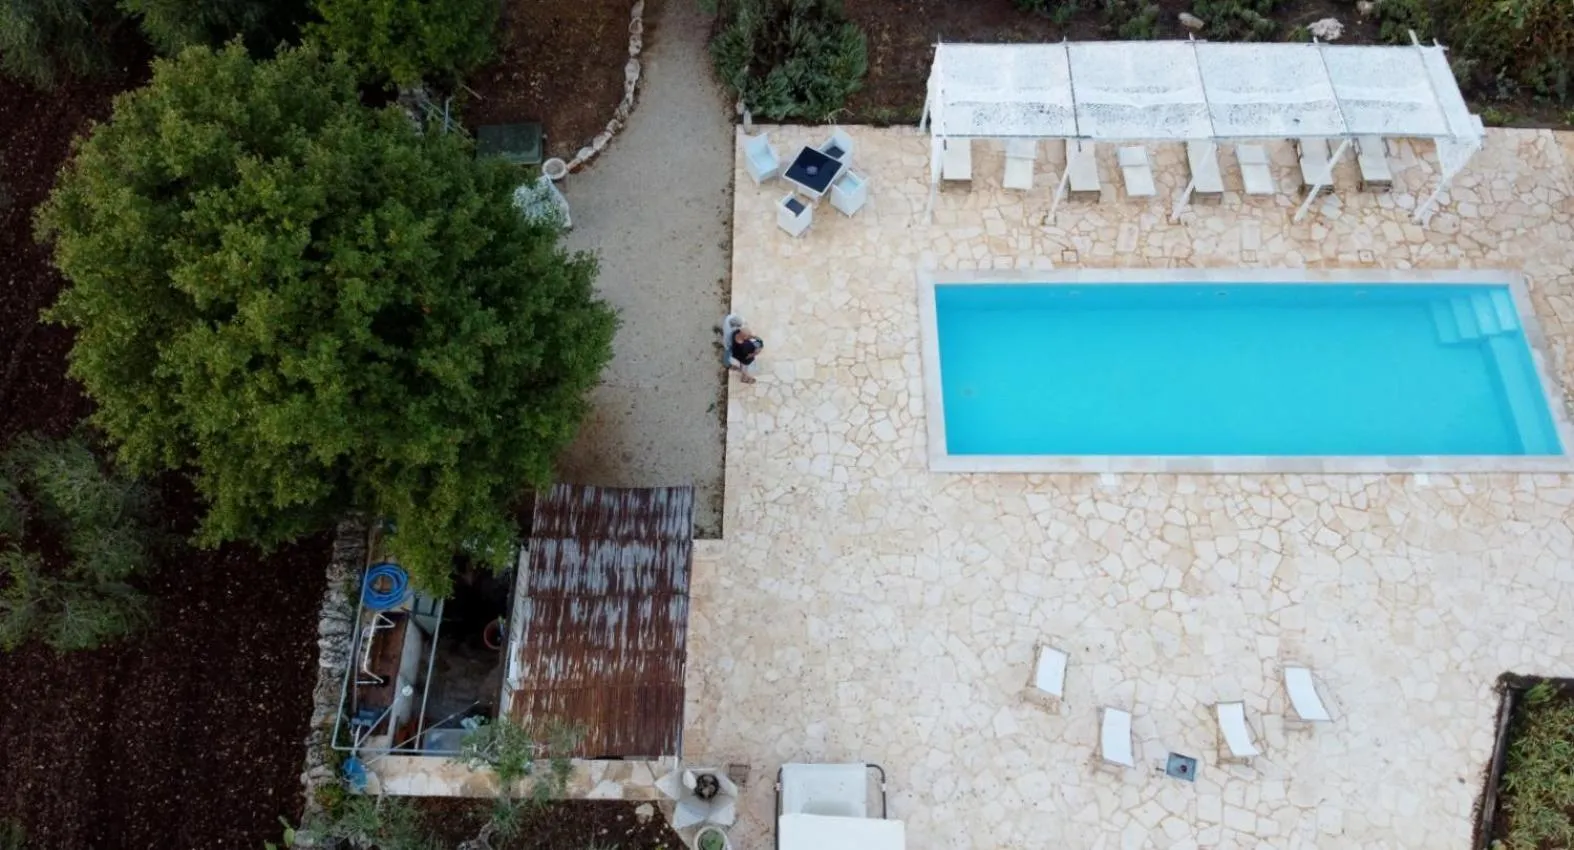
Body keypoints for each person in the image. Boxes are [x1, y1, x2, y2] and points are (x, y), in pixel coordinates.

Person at [717, 313, 764, 383]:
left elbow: (740, 332)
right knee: (742, 366)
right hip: (742, 357)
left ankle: (728, 364)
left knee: (731, 355)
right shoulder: (745, 346)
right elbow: (750, 354)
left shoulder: (734, 332)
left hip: (737, 352)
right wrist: (756, 352)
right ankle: (744, 378)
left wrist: (747, 334)